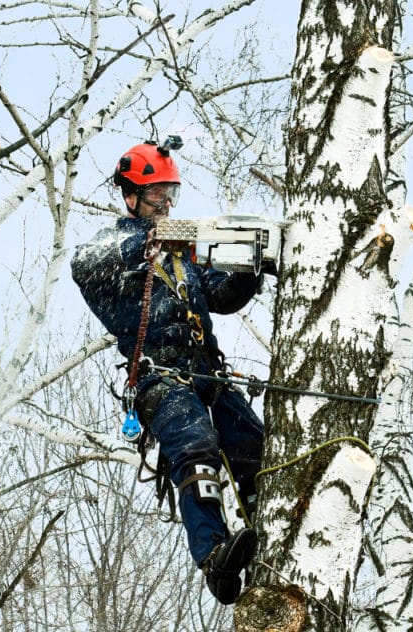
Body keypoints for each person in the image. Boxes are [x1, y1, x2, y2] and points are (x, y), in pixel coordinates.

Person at [71, 139, 266, 605]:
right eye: (157, 194)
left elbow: (221, 296)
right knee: (195, 444)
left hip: (207, 373)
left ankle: (268, 525)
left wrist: (250, 267)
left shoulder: (183, 257)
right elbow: (85, 264)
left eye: (170, 192)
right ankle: (215, 554)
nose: (167, 203)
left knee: (253, 443)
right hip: (163, 380)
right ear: (131, 196)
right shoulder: (113, 249)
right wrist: (152, 240)